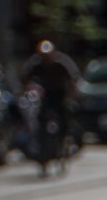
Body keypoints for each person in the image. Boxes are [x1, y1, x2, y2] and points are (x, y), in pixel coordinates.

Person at [23, 40, 80, 168]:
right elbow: (25, 78)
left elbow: (73, 79)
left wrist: (71, 95)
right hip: (46, 94)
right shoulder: (36, 64)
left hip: (60, 94)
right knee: (41, 117)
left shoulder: (61, 63)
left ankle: (65, 140)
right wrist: (26, 89)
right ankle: (43, 147)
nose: (45, 59)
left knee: (65, 116)